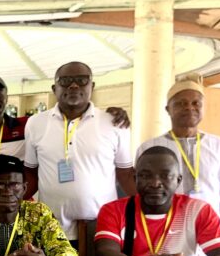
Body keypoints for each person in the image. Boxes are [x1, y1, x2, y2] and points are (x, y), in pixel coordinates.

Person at [24, 62, 136, 243]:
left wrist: (147, 211)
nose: (74, 85)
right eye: (65, 80)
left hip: (102, 228)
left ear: (92, 86)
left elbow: (126, 174)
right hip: (52, 228)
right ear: (54, 88)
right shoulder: (36, 123)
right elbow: (31, 172)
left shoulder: (114, 123)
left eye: (82, 80)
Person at [137, 79, 220, 254]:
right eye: (181, 103)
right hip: (166, 234)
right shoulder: (149, 147)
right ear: (168, 109)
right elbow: (142, 196)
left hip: (212, 233)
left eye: (195, 103)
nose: (189, 108)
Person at [0, 75, 129, 165]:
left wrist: (106, 116)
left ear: (6, 98)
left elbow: (67, 118)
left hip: (16, 199)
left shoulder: (27, 124)